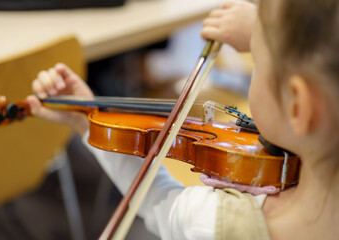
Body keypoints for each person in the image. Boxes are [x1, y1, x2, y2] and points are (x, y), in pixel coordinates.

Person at [27, 0, 339, 239]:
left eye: (255, 58)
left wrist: (86, 121)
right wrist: (264, 34)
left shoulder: (212, 221)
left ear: (297, 107)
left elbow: (153, 196)